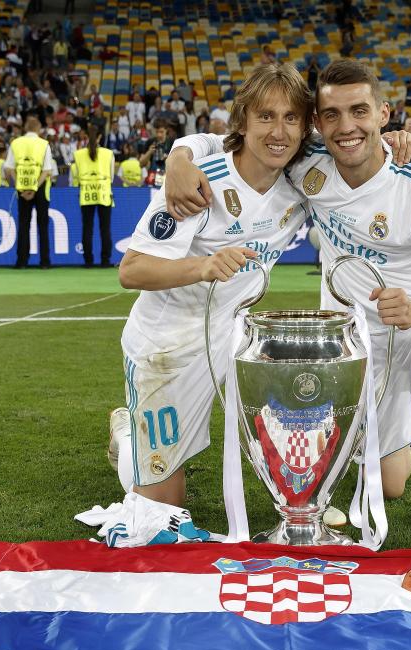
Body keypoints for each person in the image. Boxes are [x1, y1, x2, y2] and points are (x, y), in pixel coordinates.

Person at [165, 59, 411, 542]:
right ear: (317, 124)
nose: (346, 127)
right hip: (354, 344)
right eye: (332, 115)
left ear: (384, 114)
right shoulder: (308, 164)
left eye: (359, 111)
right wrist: (178, 156)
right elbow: (234, 140)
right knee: (390, 484)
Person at [106, 63, 313, 507]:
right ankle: (129, 439)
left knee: (295, 410)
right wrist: (203, 266)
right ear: (242, 122)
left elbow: (356, 151)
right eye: (266, 117)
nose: (279, 131)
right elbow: (132, 270)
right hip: (165, 347)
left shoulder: (301, 183)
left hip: (232, 337)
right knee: (162, 505)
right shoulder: (199, 182)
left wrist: (397, 138)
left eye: (291, 118)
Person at [5, 116, 55, 269]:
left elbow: (8, 168)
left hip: (21, 188)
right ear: (39, 129)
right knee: (43, 226)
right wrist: (34, 187)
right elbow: (47, 170)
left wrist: (20, 186)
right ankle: (45, 262)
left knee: (23, 225)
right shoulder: (44, 144)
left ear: (25, 128)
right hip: (40, 189)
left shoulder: (16, 143)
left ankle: (21, 262)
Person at [71, 125, 115, 267]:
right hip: (104, 193)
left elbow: (75, 177)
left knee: (87, 228)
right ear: (100, 137)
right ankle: (105, 260)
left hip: (86, 194)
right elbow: (112, 177)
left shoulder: (78, 154)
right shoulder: (108, 153)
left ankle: (88, 261)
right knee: (105, 228)